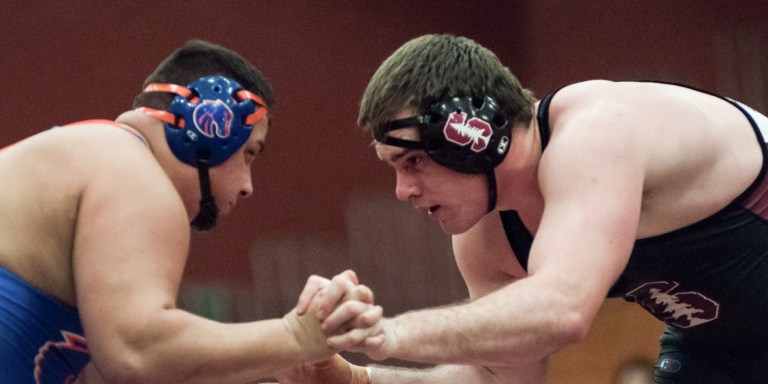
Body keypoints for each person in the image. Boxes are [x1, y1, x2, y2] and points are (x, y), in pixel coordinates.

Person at [291, 34, 768, 383]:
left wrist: (387, 332)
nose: (403, 190)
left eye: (413, 161)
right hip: (721, 347)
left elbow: (563, 309)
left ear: (470, 135)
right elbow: (496, 377)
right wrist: (356, 379)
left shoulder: (596, 129)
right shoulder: (489, 238)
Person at [0, 39, 379, 384]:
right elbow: (136, 354)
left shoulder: (99, 156)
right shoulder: (131, 171)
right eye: (249, 154)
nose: (248, 186)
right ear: (209, 128)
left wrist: (261, 361)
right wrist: (295, 337)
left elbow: (117, 372)